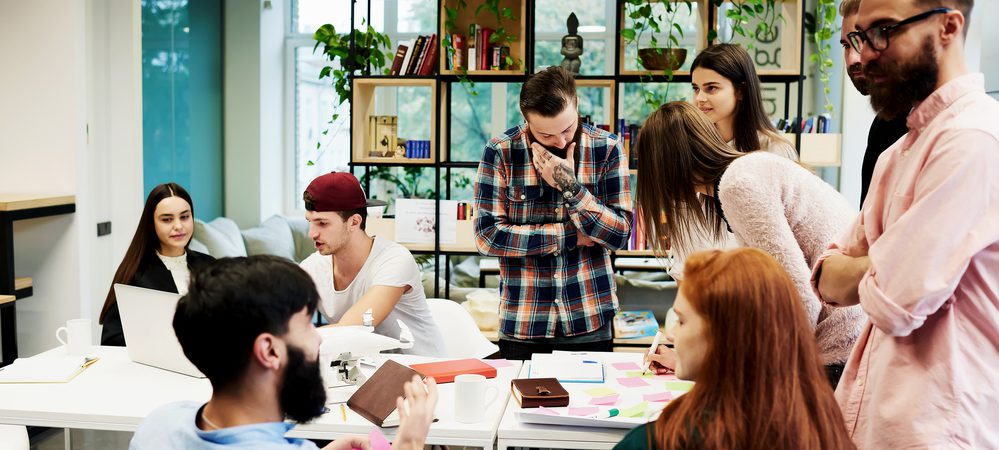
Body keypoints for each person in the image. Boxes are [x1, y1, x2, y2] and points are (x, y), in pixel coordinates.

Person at [814, 0, 999, 447]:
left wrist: (876, 267)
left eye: (883, 30)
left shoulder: (972, 139)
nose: (863, 55)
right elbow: (826, 278)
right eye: (858, 38)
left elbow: (895, 302)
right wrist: (885, 262)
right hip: (878, 419)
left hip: (939, 428)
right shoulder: (897, 153)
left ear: (949, 26)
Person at [636, 102, 864, 386]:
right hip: (835, 343)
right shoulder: (740, 177)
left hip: (834, 351)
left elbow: (795, 297)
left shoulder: (738, 184)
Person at [130, 255, 438, 449]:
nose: (318, 341)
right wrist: (409, 444)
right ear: (269, 350)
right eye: (306, 325)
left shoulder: (159, 425)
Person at [614, 248, 855, 450]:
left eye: (682, 321)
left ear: (723, 337)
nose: (671, 333)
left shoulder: (659, 441)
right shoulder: (823, 427)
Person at [474, 66, 632, 360]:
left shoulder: (607, 148)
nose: (560, 142)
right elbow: (488, 237)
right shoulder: (501, 152)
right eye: (546, 134)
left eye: (567, 129)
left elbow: (620, 233)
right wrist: (570, 235)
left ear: (577, 105)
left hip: (590, 316)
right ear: (526, 121)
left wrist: (569, 185)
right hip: (524, 322)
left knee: (593, 406)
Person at [298, 172, 445, 357]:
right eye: (309, 222)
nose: (312, 233)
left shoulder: (395, 260)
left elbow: (352, 330)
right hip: (367, 371)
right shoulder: (313, 267)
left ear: (354, 222)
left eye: (322, 223)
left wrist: (294, 339)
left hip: (425, 372)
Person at [99, 182, 215, 346]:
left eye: (184, 217)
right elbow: (111, 339)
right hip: (158, 368)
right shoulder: (136, 275)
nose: (178, 226)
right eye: (167, 219)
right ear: (151, 225)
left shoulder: (210, 265)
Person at [838, 0, 909, 204]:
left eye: (864, 40)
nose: (853, 59)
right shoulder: (884, 121)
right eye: (846, 45)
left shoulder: (958, 129)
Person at [690, 43, 797, 159]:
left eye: (711, 88)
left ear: (740, 91)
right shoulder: (694, 145)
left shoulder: (774, 150)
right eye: (696, 88)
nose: (699, 98)